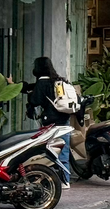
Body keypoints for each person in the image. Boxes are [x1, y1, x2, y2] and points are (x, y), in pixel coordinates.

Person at [23, 56, 73, 190]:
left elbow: (35, 100)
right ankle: (65, 180)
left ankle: (52, 179)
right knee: (63, 150)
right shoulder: (59, 80)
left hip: (51, 122)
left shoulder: (42, 83)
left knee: (50, 151)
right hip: (64, 119)